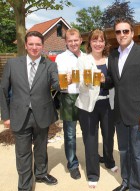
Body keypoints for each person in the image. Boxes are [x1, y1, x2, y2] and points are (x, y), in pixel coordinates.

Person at [0, 31, 60, 190]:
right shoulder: (13, 64)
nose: (34, 47)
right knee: (22, 153)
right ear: (26, 45)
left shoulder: (50, 65)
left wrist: (69, 82)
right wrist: (5, 116)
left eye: (38, 44)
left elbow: (57, 84)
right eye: (31, 44)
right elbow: (3, 90)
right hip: (20, 115)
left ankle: (41, 174)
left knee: (41, 148)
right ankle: (25, 186)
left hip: (42, 114)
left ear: (42, 46)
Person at [103, 18, 140, 191]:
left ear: (132, 33)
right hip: (119, 114)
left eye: (126, 31)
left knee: (138, 155)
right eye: (118, 32)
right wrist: (104, 80)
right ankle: (126, 182)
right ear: (115, 35)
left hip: (138, 114)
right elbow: (113, 82)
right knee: (124, 152)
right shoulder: (112, 55)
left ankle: (136, 187)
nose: (122, 34)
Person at [75, 29, 117, 189]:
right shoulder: (83, 60)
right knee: (91, 140)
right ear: (89, 42)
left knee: (108, 137)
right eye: (95, 40)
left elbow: (114, 81)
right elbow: (79, 82)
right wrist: (85, 83)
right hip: (88, 106)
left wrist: (104, 79)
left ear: (105, 43)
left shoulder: (110, 59)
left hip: (107, 104)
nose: (98, 43)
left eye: (101, 40)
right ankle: (93, 174)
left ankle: (109, 161)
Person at [55, 28, 84, 180]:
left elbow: (92, 79)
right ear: (66, 42)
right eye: (70, 41)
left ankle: (91, 158)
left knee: (89, 131)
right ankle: (72, 163)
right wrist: (79, 75)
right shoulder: (61, 57)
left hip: (85, 97)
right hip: (68, 98)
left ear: (81, 40)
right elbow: (63, 82)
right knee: (71, 134)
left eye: (76, 40)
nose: (73, 43)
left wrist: (73, 75)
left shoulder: (87, 57)